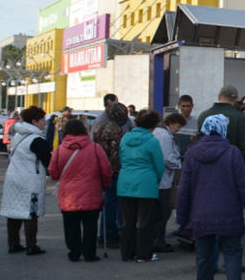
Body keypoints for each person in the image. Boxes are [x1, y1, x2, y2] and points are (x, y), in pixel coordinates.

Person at [178, 114, 245, 280]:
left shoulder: (192, 154)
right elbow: (244, 187)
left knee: (204, 255)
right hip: (230, 214)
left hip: (201, 215)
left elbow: (184, 188)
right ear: (223, 130)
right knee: (232, 253)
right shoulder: (232, 152)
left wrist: (182, 217)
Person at [48, 117, 112, 262]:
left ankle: (74, 252)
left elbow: (53, 172)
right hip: (91, 193)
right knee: (90, 226)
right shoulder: (95, 148)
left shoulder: (59, 150)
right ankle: (89, 254)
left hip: (68, 196)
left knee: (70, 226)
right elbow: (106, 170)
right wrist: (105, 185)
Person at [0, 106, 52, 255]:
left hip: (13, 177)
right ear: (34, 121)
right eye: (42, 120)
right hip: (29, 179)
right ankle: (31, 245)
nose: (45, 123)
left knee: (13, 212)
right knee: (30, 212)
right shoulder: (37, 140)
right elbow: (48, 161)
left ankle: (13, 243)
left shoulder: (19, 136)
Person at [117, 109, 165, 263]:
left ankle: (126, 253)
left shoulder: (125, 138)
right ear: (152, 125)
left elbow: (121, 159)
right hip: (146, 183)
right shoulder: (152, 141)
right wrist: (155, 180)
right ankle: (143, 254)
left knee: (127, 222)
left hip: (125, 183)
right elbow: (159, 165)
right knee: (145, 222)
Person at [197, 85, 245, 173]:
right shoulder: (239, 118)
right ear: (235, 100)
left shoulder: (203, 116)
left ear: (218, 97)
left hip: (206, 168)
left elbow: (199, 144)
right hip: (230, 169)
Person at [95, 102, 130, 247]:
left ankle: (106, 234)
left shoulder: (100, 127)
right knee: (111, 206)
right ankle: (109, 235)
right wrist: (119, 171)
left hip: (101, 170)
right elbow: (117, 155)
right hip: (112, 173)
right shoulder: (115, 130)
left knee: (108, 204)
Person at [151, 112, 186, 253]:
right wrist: (180, 165)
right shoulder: (164, 136)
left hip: (160, 179)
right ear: (171, 122)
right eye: (178, 126)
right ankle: (158, 242)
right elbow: (167, 158)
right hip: (163, 180)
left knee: (160, 213)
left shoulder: (160, 133)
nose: (179, 129)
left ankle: (157, 240)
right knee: (163, 213)